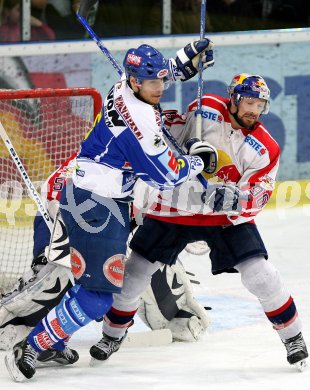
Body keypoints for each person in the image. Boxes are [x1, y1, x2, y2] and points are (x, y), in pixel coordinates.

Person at [5, 38, 216, 382]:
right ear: (134, 82)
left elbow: (159, 76)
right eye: (152, 82)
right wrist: (198, 161)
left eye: (161, 79)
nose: (159, 87)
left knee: (88, 283)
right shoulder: (144, 121)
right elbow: (165, 176)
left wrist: (184, 61)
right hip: (96, 209)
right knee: (98, 298)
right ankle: (31, 346)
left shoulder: (122, 85)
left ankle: (52, 337)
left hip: (94, 196)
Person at [87, 74, 309, 371]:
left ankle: (293, 337)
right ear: (234, 98)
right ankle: (112, 335)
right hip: (174, 209)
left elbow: (261, 193)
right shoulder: (204, 109)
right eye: (249, 102)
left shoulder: (265, 147)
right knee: (134, 275)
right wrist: (185, 144)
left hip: (222, 219)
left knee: (261, 276)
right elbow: (163, 131)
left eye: (260, 104)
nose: (254, 110)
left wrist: (237, 199)